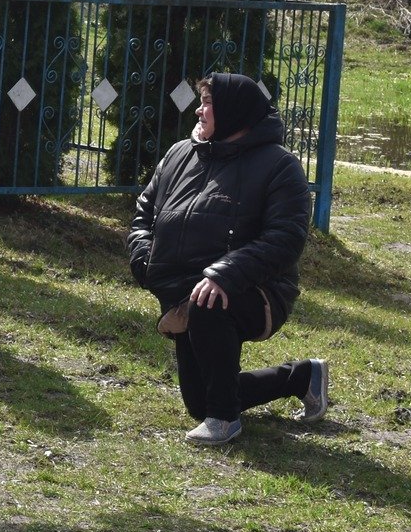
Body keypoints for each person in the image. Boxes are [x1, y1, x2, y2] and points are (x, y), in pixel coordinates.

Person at [128, 73, 326, 447]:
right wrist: (143, 257)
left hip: (256, 289)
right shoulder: (179, 154)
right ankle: (301, 377)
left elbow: (285, 239)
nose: (198, 111)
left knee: (208, 304)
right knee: (199, 401)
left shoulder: (279, 166)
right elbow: (144, 214)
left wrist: (224, 274)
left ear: (234, 112)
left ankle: (224, 421)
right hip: (187, 292)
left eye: (208, 104)